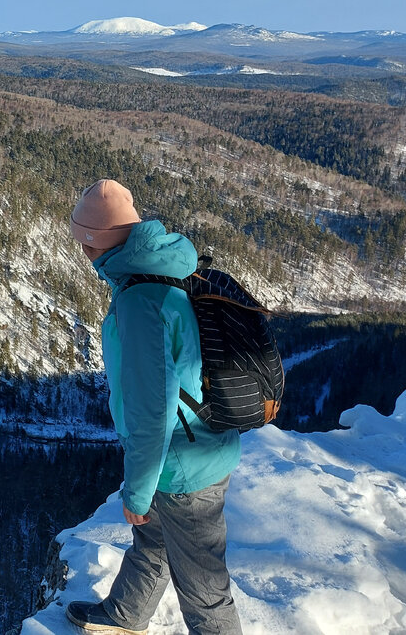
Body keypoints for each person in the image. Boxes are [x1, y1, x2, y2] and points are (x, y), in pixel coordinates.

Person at [64, 179, 243, 635]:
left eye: (81, 240)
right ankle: (126, 615)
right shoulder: (160, 267)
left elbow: (152, 407)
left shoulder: (141, 300)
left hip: (184, 462)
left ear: (95, 243)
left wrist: (137, 490)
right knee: (154, 540)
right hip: (196, 443)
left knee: (203, 586)